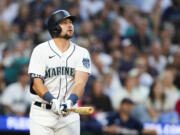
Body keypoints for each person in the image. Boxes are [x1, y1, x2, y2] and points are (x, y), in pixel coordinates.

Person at [28, 9, 91, 135]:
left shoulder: (82, 53)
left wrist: (70, 101)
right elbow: (36, 83)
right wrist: (52, 100)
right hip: (42, 113)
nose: (70, 25)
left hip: (69, 114)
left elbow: (80, 83)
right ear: (54, 28)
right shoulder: (40, 50)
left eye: (71, 23)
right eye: (64, 22)